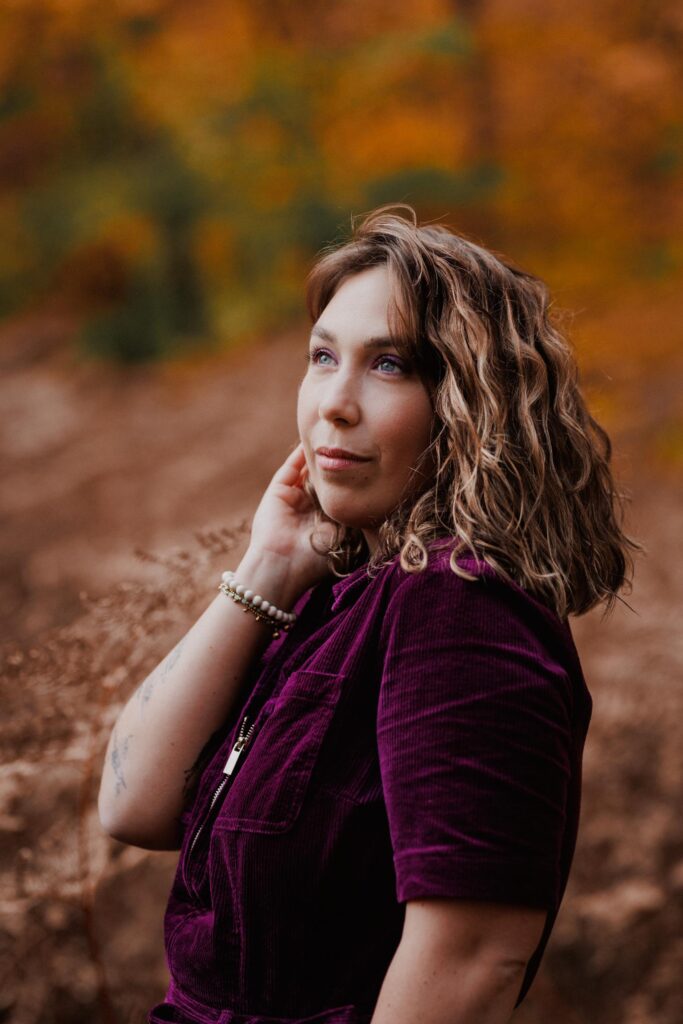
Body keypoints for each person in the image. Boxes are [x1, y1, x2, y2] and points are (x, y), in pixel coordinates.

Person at [98, 205, 640, 1024]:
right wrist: (269, 567)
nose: (334, 405)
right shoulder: (343, 593)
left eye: (388, 365)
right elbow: (132, 806)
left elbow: (473, 957)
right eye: (322, 357)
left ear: (470, 403)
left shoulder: (460, 602)